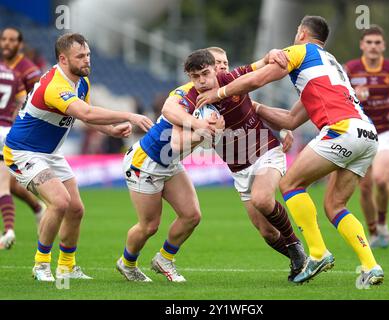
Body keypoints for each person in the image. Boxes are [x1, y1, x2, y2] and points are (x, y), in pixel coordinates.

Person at [196, 16, 384, 287]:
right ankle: (371, 266)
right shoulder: (330, 68)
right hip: (367, 134)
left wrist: (220, 92)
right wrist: (256, 108)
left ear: (302, 33)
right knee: (335, 206)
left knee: (290, 184)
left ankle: (318, 253)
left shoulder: (301, 50)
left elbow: (258, 78)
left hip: (342, 129)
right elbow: (289, 120)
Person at [3, 33, 153, 281]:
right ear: (63, 59)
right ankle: (41, 264)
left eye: (88, 55)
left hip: (50, 153)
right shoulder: (55, 86)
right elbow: (86, 112)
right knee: (60, 202)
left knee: (75, 209)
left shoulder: (82, 81)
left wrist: (110, 129)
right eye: (80, 56)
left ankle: (67, 267)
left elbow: (84, 117)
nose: (87, 60)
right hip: (22, 151)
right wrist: (130, 116)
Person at [163, 48, 307, 281]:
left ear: (215, 70)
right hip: (239, 170)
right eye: (195, 76)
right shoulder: (189, 99)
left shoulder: (231, 80)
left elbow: (262, 65)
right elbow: (176, 140)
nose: (201, 81)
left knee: (262, 199)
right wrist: (203, 128)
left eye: (206, 73)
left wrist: (273, 52)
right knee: (267, 232)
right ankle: (300, 262)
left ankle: (295, 245)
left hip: (266, 152)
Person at [116, 75, 225, 283]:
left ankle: (164, 259)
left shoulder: (216, 96)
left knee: (191, 215)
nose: (222, 68)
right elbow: (176, 143)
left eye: (224, 64)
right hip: (146, 162)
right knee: (149, 226)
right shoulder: (183, 99)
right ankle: (127, 263)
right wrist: (205, 131)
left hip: (169, 162)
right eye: (218, 64)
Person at [344, 25, 389, 248]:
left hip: (386, 131)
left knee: (382, 180)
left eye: (377, 43)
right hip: (362, 132)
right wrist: (355, 95)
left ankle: (383, 225)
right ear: (362, 45)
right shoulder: (351, 69)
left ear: (383, 46)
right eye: (369, 42)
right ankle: (374, 232)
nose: (373, 46)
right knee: (364, 187)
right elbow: (340, 95)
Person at [1, 27, 47, 237]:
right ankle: (38, 208)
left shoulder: (29, 71)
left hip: (21, 133)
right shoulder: (4, 67)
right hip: (6, 130)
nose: (7, 43)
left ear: (20, 44)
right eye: (4, 39)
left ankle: (35, 211)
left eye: (12, 40)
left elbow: (38, 99)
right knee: (7, 182)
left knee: (6, 182)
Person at [0, 62, 27, 249]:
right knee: (3, 186)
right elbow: (23, 102)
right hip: (6, 131)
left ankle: (9, 231)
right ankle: (8, 230)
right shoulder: (13, 74)